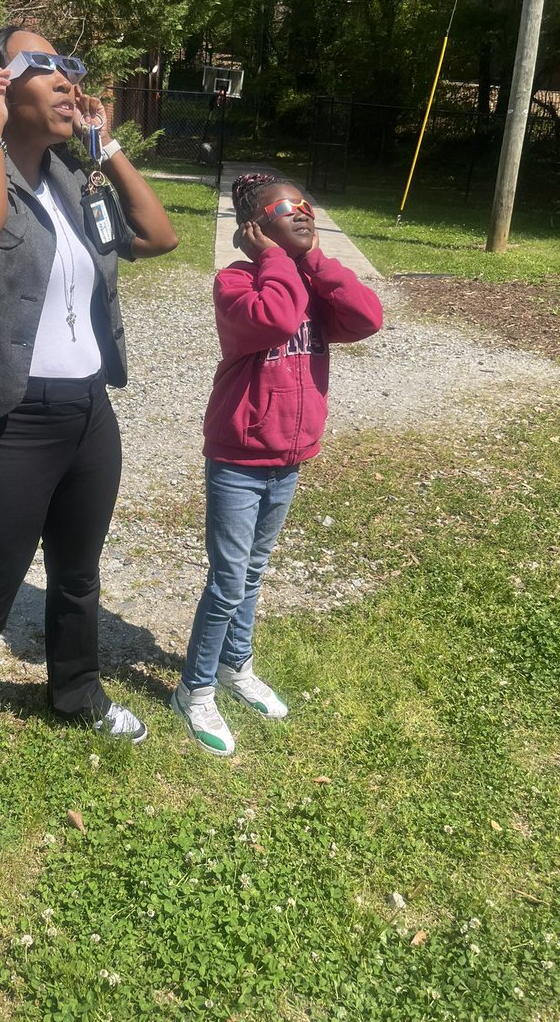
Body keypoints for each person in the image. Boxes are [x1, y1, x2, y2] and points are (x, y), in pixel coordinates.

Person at [0, 26, 178, 871]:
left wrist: (108, 148)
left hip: (87, 411)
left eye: (72, 67)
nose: (69, 79)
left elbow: (157, 236)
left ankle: (76, 692)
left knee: (80, 576)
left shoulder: (70, 174)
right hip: (4, 420)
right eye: (46, 65)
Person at [170, 172, 382, 756]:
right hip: (239, 456)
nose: (304, 213)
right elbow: (278, 319)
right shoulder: (236, 281)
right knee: (228, 580)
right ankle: (195, 688)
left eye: (308, 205)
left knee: (253, 573)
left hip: (288, 454)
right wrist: (274, 261)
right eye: (287, 208)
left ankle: (237, 668)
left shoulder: (308, 281)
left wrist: (315, 259)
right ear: (256, 227)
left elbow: (366, 317)